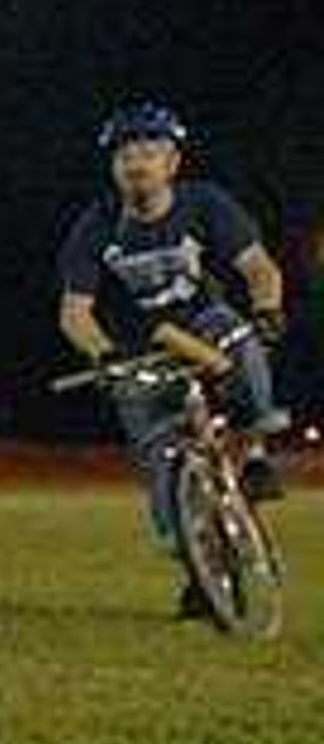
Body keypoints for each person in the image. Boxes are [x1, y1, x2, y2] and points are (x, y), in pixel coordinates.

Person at [59, 104, 291, 604]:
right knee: (162, 461)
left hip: (207, 333)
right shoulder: (97, 224)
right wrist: (102, 354)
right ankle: (198, 569)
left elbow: (258, 268)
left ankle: (255, 453)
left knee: (234, 332)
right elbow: (75, 311)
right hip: (140, 353)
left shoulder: (205, 203)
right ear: (113, 167)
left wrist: (268, 308)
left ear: (173, 163)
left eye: (149, 151)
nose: (136, 163)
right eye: (124, 154)